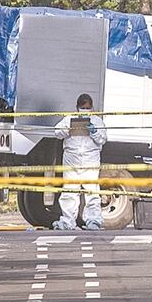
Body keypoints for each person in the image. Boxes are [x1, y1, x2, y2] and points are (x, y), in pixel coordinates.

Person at [52, 93, 107, 231]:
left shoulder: (97, 121)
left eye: (88, 107)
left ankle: (93, 220)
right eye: (83, 107)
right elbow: (57, 133)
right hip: (72, 159)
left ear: (92, 107)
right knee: (70, 191)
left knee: (92, 191)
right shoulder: (69, 119)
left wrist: (94, 131)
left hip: (90, 159)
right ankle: (68, 221)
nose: (85, 110)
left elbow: (103, 139)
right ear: (77, 107)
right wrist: (68, 129)